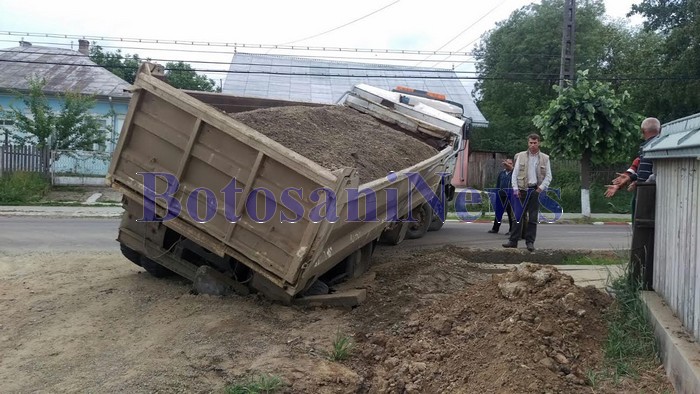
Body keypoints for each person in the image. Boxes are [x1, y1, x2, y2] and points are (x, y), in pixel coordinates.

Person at [503, 134, 552, 252]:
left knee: (533, 218)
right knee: (517, 217)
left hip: (535, 190)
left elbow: (549, 176)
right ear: (528, 143)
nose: (533, 145)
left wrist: (541, 188)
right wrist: (515, 189)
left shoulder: (545, 158)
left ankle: (530, 242)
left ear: (539, 143)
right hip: (521, 190)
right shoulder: (520, 156)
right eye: (531, 143)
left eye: (535, 143)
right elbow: (514, 174)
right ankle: (513, 241)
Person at [605, 117, 661, 199]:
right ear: (660, 130)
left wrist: (634, 181)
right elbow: (637, 168)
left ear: (642, 131)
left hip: (646, 192)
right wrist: (628, 178)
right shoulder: (658, 146)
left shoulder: (646, 148)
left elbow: (643, 175)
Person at [488, 158, 514, 235]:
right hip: (501, 195)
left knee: (510, 213)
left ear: (512, 164)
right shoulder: (501, 173)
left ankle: (511, 230)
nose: (508, 165)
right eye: (506, 163)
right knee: (498, 212)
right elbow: (498, 184)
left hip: (510, 196)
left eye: (510, 163)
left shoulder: (514, 173)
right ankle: (495, 228)